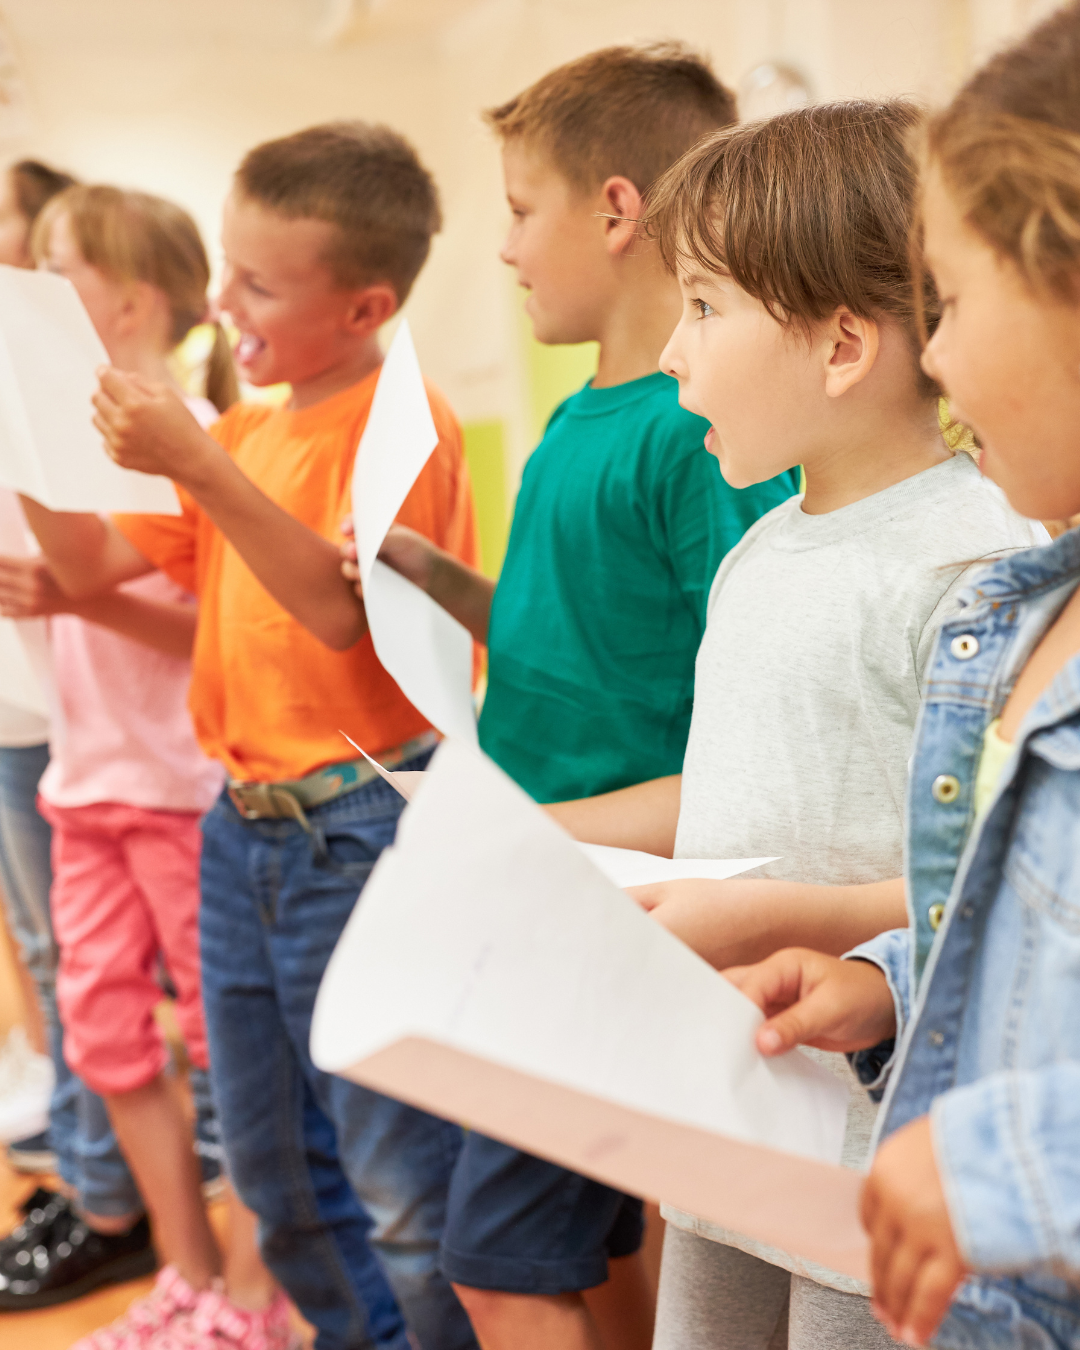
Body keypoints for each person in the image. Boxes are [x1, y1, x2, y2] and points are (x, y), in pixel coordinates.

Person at [544, 100, 1047, 1350]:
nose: (671, 353)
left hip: (874, 1153)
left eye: (703, 307)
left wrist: (775, 919)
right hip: (738, 1113)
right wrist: (542, 835)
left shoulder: (971, 567)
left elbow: (992, 896)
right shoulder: (761, 549)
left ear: (839, 347)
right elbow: (724, 790)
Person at [345, 43, 799, 1350]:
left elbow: (748, 690)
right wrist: (435, 577)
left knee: (498, 1266)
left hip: (603, 899)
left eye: (519, 207)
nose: (502, 247)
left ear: (614, 210)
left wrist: (558, 836)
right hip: (544, 882)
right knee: (586, 1260)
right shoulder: (572, 423)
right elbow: (575, 641)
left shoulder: (689, 432)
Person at [24, 123, 481, 1350]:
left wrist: (197, 462)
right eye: (225, 269)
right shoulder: (250, 429)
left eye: (259, 283)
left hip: (356, 827)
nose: (222, 302)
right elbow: (85, 562)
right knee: (276, 1176)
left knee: (391, 1180)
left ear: (364, 304)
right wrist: (28, 422)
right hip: (242, 830)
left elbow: (340, 614)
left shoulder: (401, 422)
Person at [725, 5, 1080, 1348]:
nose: (931, 353)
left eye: (956, 299)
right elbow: (1016, 935)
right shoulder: (1015, 611)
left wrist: (998, 1159)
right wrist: (882, 978)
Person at [0, 184, 294, 1348]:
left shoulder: (199, 444)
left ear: (128, 300)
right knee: (105, 1035)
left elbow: (217, 627)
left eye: (56, 261)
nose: (29, 276)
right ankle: (190, 1277)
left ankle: (260, 1292)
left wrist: (87, 601)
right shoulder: (62, 444)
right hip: (85, 788)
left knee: (232, 1048)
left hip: (185, 792)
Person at [0, 157, 78, 1166]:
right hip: (15, 697)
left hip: (56, 703)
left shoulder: (57, 377)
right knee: (33, 928)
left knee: (69, 941)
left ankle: (87, 1137)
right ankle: (52, 1081)